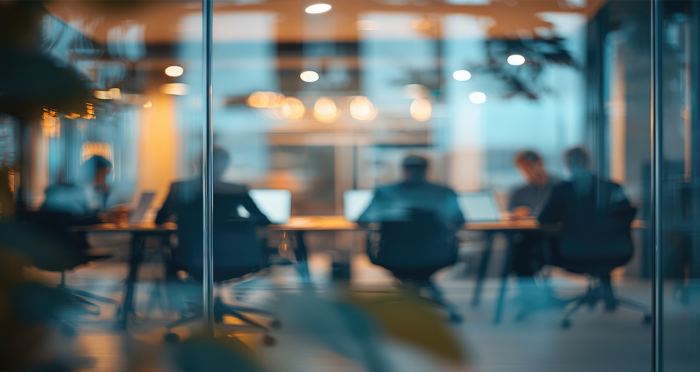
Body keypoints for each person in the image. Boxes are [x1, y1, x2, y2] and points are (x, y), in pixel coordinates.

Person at [538, 146, 635, 310]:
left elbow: (544, 219)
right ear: (590, 163)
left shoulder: (563, 190)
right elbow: (624, 216)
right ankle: (608, 296)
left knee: (534, 247)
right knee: (601, 242)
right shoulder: (612, 187)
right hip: (616, 250)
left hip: (572, 252)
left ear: (568, 164)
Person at [508, 150, 561, 279]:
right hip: (528, 235)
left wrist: (535, 213)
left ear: (540, 164)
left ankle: (530, 289)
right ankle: (526, 290)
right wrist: (516, 213)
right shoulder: (519, 192)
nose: (527, 172)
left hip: (556, 236)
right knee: (520, 246)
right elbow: (509, 213)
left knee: (525, 248)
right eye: (523, 169)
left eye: (530, 167)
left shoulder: (559, 187)